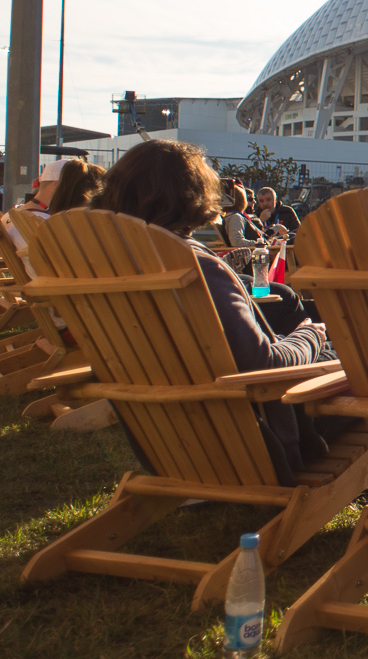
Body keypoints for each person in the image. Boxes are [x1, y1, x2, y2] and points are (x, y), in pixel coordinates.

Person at [90, 140, 339, 485]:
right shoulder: (196, 266)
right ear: (194, 195)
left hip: (164, 450)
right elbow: (265, 367)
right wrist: (310, 335)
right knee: (357, 355)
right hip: (259, 448)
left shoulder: (99, 265)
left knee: (286, 306)